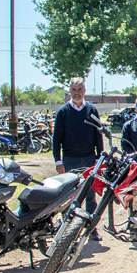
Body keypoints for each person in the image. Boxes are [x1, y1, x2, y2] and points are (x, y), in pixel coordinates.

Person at [52, 77, 105, 238]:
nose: (77, 93)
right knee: (69, 197)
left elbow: (98, 136)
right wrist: (58, 160)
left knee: (90, 195)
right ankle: (68, 231)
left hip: (89, 159)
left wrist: (99, 159)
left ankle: (91, 228)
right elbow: (56, 139)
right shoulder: (63, 112)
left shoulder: (92, 110)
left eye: (80, 89)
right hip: (69, 159)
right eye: (74, 90)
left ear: (84, 91)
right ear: (70, 91)